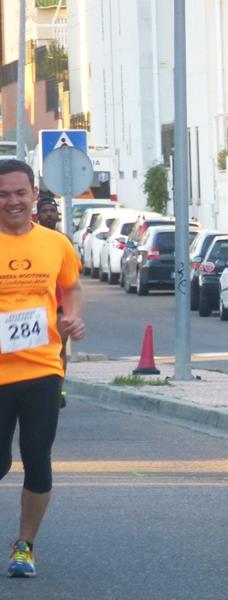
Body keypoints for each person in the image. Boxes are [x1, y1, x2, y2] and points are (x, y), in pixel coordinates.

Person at [0, 159, 85, 577]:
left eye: (20, 192)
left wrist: (73, 317)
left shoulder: (56, 244)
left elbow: (71, 287)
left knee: (38, 458)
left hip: (42, 370)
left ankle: (24, 546)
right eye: (3, 194)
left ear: (35, 194)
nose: (12, 201)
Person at [35, 194, 71, 409]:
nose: (49, 215)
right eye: (45, 211)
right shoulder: (31, 238)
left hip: (59, 304)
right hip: (37, 305)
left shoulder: (63, 240)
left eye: (52, 211)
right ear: (38, 214)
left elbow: (73, 277)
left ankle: (58, 390)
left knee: (59, 348)